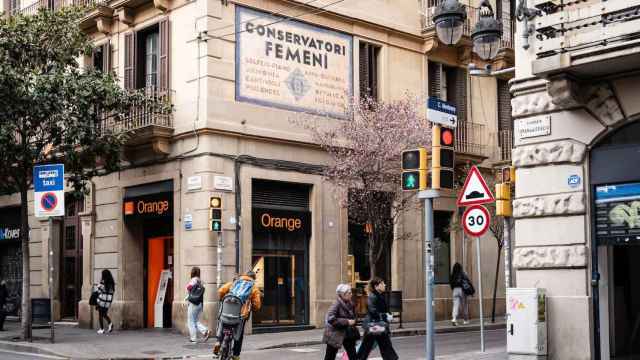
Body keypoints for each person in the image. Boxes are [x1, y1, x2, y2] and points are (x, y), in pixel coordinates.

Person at [213, 271, 262, 360]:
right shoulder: (254, 288)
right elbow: (257, 304)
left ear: (245, 276)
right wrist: (254, 308)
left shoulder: (234, 283)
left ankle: (218, 341)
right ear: (253, 279)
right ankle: (236, 355)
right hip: (240, 316)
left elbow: (220, 291)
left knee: (221, 320)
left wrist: (222, 299)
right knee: (239, 334)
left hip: (226, 313)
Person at [356, 277, 398, 360]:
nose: (384, 285)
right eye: (382, 284)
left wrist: (388, 315)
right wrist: (386, 316)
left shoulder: (378, 295)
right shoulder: (373, 296)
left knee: (384, 346)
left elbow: (382, 309)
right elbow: (373, 311)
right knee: (366, 347)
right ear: (376, 286)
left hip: (378, 325)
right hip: (374, 325)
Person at [322, 284, 360, 360]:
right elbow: (331, 319)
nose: (351, 294)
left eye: (351, 292)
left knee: (353, 355)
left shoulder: (350, 303)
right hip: (335, 334)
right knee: (330, 356)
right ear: (342, 294)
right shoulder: (336, 304)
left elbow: (354, 317)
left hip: (347, 333)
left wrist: (354, 321)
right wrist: (347, 322)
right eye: (349, 293)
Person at [186, 266, 211, 343]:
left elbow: (189, 287)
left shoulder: (193, 280)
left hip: (193, 303)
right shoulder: (200, 281)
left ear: (192, 273)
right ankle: (205, 331)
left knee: (190, 321)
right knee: (195, 320)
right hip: (199, 303)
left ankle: (193, 338)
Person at [96, 269, 115, 334]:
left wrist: (98, 286)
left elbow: (99, 290)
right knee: (104, 314)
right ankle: (110, 323)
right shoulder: (112, 282)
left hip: (102, 300)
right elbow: (112, 292)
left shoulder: (103, 281)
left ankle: (102, 329)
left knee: (100, 315)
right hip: (108, 302)